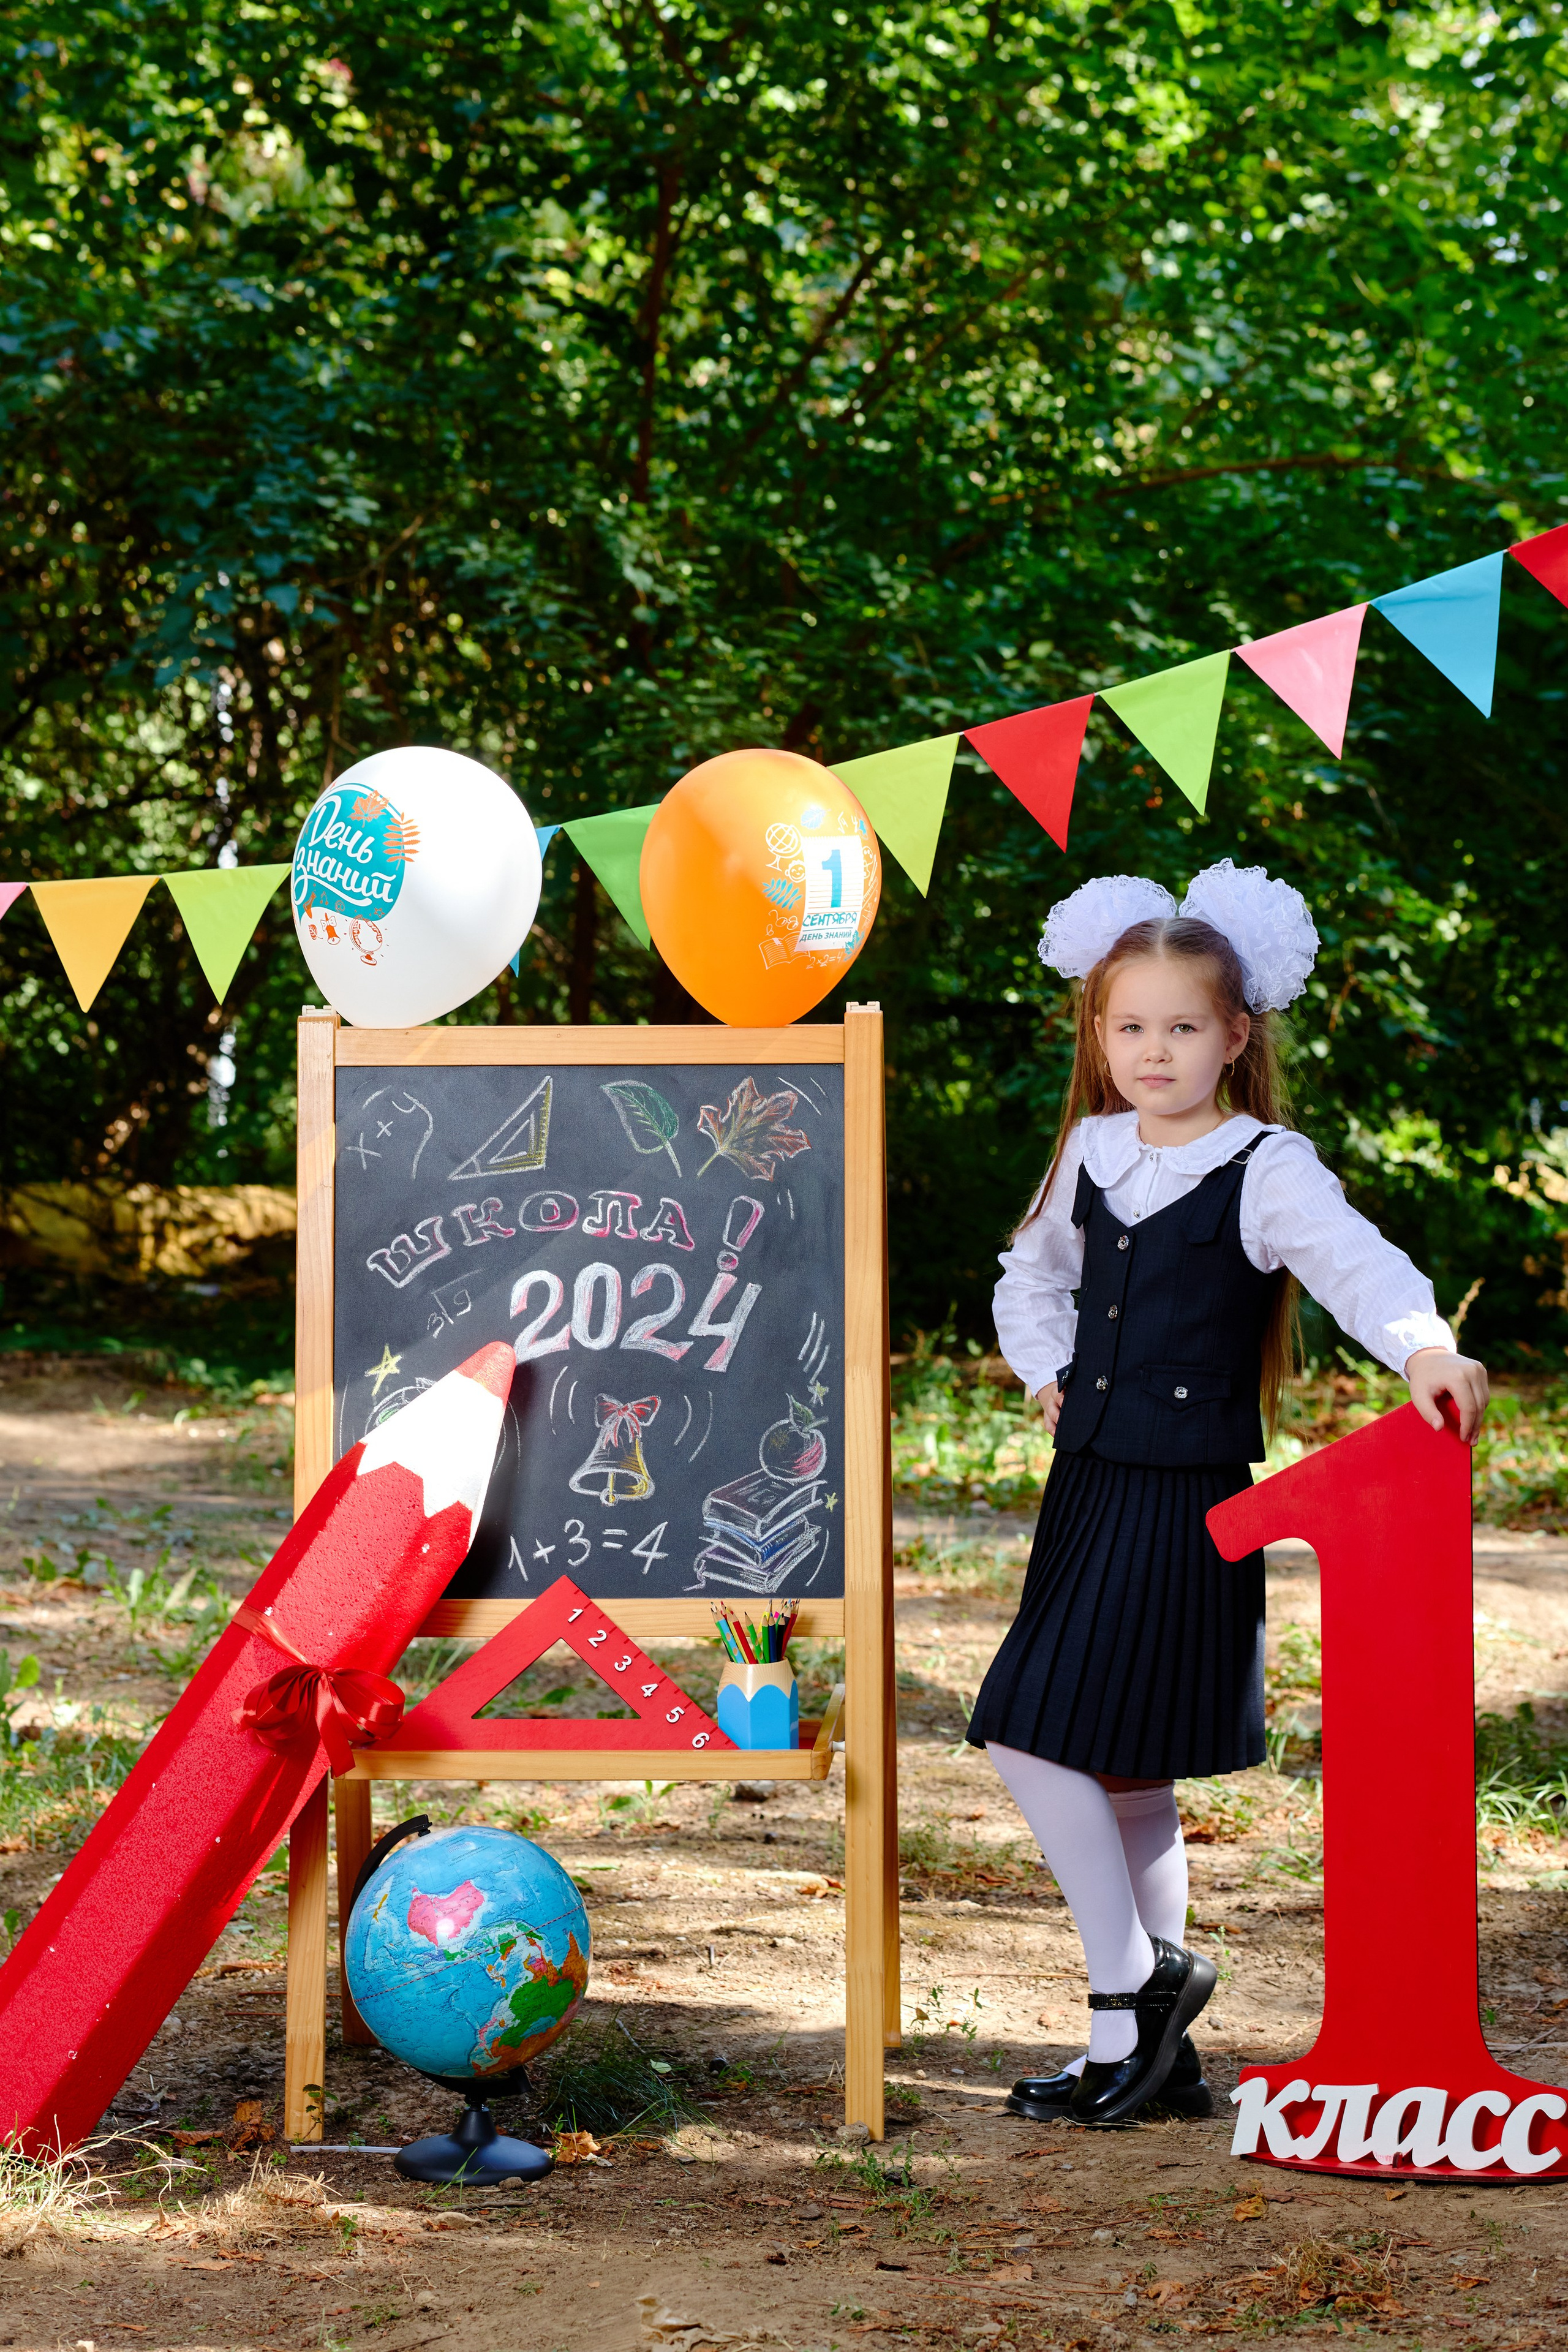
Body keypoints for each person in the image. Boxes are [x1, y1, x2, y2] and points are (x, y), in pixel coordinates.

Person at [971, 861, 1488, 2128]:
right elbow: (1029, 1274)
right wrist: (1046, 1372)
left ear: (1235, 1036)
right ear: (1099, 1034)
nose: (1153, 1052)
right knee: (1121, 1772)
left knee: (1034, 1736)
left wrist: (1422, 1346)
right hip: (1088, 1487)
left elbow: (1356, 1264)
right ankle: (1145, 2058)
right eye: (1129, 1027)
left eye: (1182, 1027)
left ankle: (1135, 1990)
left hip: (1187, 1497)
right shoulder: (1090, 1151)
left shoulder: (1266, 1165)